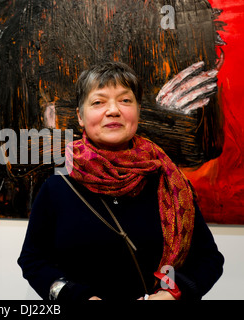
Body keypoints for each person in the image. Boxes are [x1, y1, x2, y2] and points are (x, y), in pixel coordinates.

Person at [17, 61, 224, 300]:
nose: (113, 110)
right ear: (80, 117)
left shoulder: (168, 180)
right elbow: (33, 260)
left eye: (125, 100)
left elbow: (209, 259)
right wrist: (75, 298)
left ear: (137, 111)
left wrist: (171, 295)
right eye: (98, 102)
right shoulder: (57, 186)